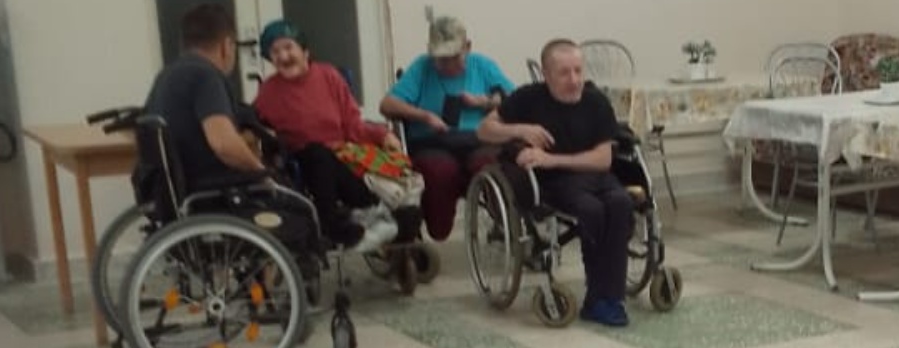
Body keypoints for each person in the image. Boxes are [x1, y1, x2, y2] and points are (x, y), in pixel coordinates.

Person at [477, 39, 634, 327]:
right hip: (554, 183)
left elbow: (603, 160)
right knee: (591, 209)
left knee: (621, 203)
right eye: (564, 73)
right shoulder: (528, 98)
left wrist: (552, 159)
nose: (574, 80)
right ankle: (601, 298)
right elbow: (484, 130)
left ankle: (608, 298)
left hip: (594, 174)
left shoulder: (596, 102)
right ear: (546, 74)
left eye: (578, 71)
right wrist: (521, 129)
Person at [251, 19, 398, 253]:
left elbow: (353, 124)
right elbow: (253, 125)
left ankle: (373, 213)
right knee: (317, 154)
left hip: (343, 154)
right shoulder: (268, 92)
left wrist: (383, 135)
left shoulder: (329, 76)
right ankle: (334, 225)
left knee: (366, 164)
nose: (283, 56)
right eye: (275, 52)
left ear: (305, 51)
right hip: (302, 160)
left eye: (288, 47)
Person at [379, 16, 517, 241]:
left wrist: (483, 102)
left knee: (492, 164)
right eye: (441, 59)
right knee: (440, 171)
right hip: (431, 142)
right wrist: (425, 115)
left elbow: (515, 99)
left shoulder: (482, 65)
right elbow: (387, 105)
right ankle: (438, 229)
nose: (448, 65)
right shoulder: (422, 67)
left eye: (454, 57)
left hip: (478, 140)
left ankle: (506, 225)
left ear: (467, 47)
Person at [134, 2, 269, 207]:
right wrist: (262, 173)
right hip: (209, 192)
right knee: (295, 204)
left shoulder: (165, 76)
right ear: (226, 46)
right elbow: (224, 145)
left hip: (173, 192)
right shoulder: (206, 76)